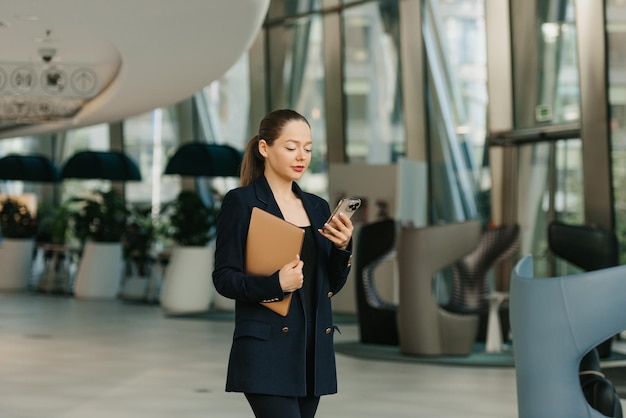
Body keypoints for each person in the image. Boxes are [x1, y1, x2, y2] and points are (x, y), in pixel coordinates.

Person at [212, 109, 354, 418]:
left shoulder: (318, 207)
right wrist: (276, 285)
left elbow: (328, 285)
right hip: (266, 350)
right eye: (291, 147)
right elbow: (224, 278)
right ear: (265, 148)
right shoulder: (242, 202)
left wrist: (342, 247)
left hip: (312, 351)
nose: (301, 156)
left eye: (308, 148)